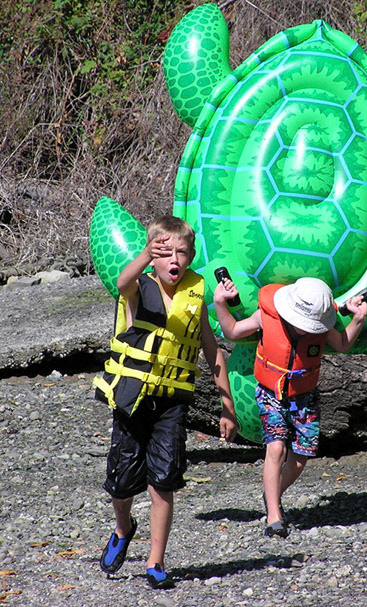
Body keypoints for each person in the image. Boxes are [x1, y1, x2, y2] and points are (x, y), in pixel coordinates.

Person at [93, 215, 237, 589]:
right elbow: (122, 282)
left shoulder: (196, 292)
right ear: (154, 256)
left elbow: (211, 349)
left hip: (172, 401)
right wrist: (143, 255)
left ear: (191, 257)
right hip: (132, 397)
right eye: (165, 252)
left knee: (164, 480)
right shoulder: (138, 287)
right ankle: (123, 528)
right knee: (122, 483)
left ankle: (156, 561)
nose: (174, 260)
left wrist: (228, 406)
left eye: (183, 253)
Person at [213, 276, 367, 538]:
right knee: (276, 447)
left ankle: (271, 494)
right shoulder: (267, 316)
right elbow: (233, 331)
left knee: (300, 457)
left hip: (304, 397)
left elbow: (342, 343)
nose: (308, 329)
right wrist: (220, 304)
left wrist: (358, 319)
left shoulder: (320, 326)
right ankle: (274, 516)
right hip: (271, 393)